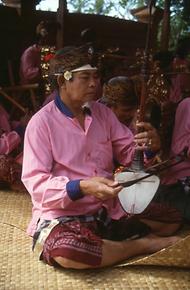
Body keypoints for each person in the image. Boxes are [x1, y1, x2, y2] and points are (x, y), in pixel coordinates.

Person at [22, 45, 181, 270]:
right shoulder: (41, 124)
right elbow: (36, 184)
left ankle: (107, 245)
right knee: (68, 252)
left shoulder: (102, 113)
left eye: (95, 76)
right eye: (85, 77)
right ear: (62, 82)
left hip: (106, 207)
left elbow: (129, 153)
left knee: (171, 219)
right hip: (63, 213)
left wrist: (149, 148)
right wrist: (83, 187)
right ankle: (143, 245)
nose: (94, 83)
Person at [0, 102, 30, 191]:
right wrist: (20, 129)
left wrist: (30, 122)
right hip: (4, 159)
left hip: (12, 156)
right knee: (3, 165)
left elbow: (9, 124)